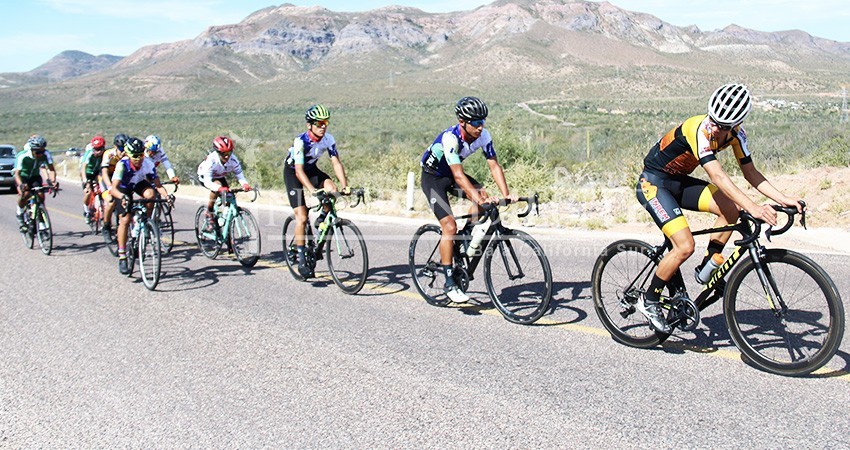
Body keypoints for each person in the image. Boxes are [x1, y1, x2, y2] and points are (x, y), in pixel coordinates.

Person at [635, 83, 804, 333]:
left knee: (731, 209)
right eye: (713, 120)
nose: (714, 128)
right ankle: (649, 301)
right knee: (685, 246)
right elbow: (718, 176)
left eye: (722, 126)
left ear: (736, 124)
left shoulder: (737, 135)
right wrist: (754, 208)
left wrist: (783, 199)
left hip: (679, 182)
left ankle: (707, 268)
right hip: (653, 183)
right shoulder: (699, 129)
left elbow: (751, 173)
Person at [419, 96, 516, 302]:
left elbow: (494, 165)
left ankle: (464, 236)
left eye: (483, 121)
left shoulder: (483, 135)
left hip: (452, 174)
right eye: (476, 122)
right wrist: (479, 200)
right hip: (433, 178)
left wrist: (506, 194)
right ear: (462, 122)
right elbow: (458, 176)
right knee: (449, 226)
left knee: (483, 195)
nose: (481, 127)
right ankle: (449, 282)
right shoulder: (451, 138)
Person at [283, 104, 350, 279]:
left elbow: (336, 162)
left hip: (311, 170)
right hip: (294, 173)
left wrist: (345, 185)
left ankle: (322, 218)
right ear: (309, 125)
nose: (323, 127)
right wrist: (312, 190)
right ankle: (301, 259)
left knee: (332, 190)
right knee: (302, 217)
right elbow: (299, 171)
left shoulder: (328, 139)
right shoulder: (301, 141)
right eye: (319, 123)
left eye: (325, 123)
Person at [109, 137, 163, 274]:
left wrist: (167, 196)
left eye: (140, 155)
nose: (138, 159)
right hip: (123, 188)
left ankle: (145, 222)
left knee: (151, 194)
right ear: (128, 154)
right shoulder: (122, 165)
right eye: (135, 156)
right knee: (125, 219)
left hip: (138, 183)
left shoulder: (148, 163)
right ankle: (122, 256)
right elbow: (113, 189)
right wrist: (122, 197)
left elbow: (158, 185)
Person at [196, 136, 252, 232]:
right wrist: (219, 188)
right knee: (217, 186)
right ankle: (209, 211)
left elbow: (239, 175)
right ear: (218, 152)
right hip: (205, 177)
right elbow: (208, 182)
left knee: (230, 196)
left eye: (229, 153)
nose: (226, 156)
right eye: (223, 154)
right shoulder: (211, 161)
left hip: (219, 176)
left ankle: (225, 220)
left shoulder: (233, 160)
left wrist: (245, 184)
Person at [13, 135, 59, 228]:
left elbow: (51, 169)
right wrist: (21, 185)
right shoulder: (22, 155)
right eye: (38, 152)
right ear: (32, 150)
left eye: (42, 151)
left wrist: (53, 181)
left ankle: (41, 221)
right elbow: (16, 174)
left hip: (35, 177)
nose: (40, 154)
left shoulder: (46, 154)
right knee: (26, 194)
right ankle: (20, 212)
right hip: (22, 177)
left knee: (41, 195)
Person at [101, 133, 128, 240]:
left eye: (125, 148)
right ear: (115, 147)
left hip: (119, 179)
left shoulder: (128, 154)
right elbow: (104, 172)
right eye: (121, 148)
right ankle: (106, 226)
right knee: (111, 201)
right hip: (107, 178)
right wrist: (109, 187)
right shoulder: (109, 154)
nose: (123, 151)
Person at [80, 136, 106, 223]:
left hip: (97, 172)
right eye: (96, 149)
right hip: (87, 173)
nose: (98, 151)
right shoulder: (89, 153)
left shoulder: (105, 154)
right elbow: (83, 168)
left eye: (100, 149)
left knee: (102, 190)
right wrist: (85, 180)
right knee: (88, 192)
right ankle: (86, 211)